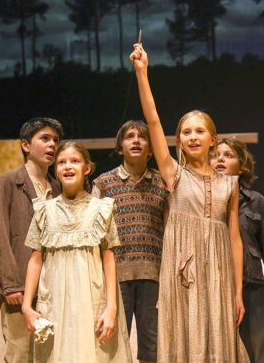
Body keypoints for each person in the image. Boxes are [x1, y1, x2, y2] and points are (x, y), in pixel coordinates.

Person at [130, 43, 249, 362]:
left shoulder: (230, 184)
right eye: (185, 132)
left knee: (218, 337)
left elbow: (235, 240)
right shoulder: (173, 175)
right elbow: (153, 121)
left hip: (219, 271)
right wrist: (142, 74)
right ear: (178, 139)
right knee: (183, 336)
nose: (192, 137)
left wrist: (238, 292)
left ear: (213, 139)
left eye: (200, 131)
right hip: (183, 273)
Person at [21, 142, 132, 362]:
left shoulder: (102, 209)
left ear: (87, 168)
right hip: (55, 299)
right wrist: (26, 305)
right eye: (61, 162)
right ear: (55, 169)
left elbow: (109, 259)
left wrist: (111, 309)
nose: (67, 166)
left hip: (92, 298)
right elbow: (35, 259)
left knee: (94, 353)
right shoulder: (44, 210)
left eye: (74, 161)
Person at [0, 117, 63, 363]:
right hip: (19, 285)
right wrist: (10, 284)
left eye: (55, 140)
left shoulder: (57, 186)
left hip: (51, 285)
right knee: (20, 353)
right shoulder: (9, 182)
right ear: (25, 145)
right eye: (44, 138)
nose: (52, 145)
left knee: (49, 353)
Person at [93, 120, 169, 363]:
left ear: (151, 147)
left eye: (142, 137)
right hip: (116, 277)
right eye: (130, 136)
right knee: (112, 346)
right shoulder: (103, 184)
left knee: (152, 347)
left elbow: (171, 230)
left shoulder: (163, 183)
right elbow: (95, 237)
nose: (136, 140)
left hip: (153, 277)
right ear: (120, 147)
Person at [212, 138, 264, 363]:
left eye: (228, 155)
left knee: (256, 351)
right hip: (216, 287)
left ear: (242, 165)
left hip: (251, 286)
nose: (220, 159)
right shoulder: (203, 201)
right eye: (216, 155)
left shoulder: (257, 202)